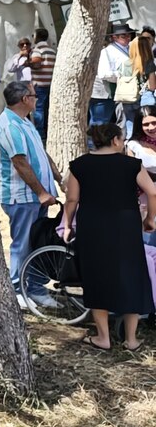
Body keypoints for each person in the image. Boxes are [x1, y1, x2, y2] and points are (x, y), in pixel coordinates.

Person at [59, 123, 156, 350]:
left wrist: (67, 224)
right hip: (126, 225)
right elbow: (152, 191)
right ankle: (131, 339)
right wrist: (150, 219)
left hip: (93, 225)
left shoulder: (79, 165)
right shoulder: (132, 165)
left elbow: (72, 199)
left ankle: (103, 337)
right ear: (115, 140)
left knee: (97, 276)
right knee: (133, 275)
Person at [0, 81, 58, 302]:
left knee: (39, 242)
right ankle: (17, 290)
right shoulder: (9, 126)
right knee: (23, 243)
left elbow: (41, 152)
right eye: (34, 95)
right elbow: (20, 163)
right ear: (24, 99)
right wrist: (41, 193)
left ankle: (37, 288)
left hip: (38, 196)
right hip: (22, 197)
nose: (36, 98)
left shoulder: (25, 121)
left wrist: (58, 178)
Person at [91, 22, 133, 128]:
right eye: (124, 36)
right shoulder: (106, 52)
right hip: (109, 93)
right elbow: (104, 73)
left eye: (129, 35)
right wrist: (124, 75)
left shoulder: (131, 49)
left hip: (128, 92)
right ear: (114, 37)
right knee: (100, 122)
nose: (128, 38)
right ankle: (94, 144)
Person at [28, 28, 57, 135]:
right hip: (50, 84)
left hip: (39, 85)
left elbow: (36, 63)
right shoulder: (52, 51)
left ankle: (39, 133)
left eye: (33, 36)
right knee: (47, 108)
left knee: (38, 109)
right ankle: (47, 130)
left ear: (37, 37)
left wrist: (27, 63)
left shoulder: (37, 50)